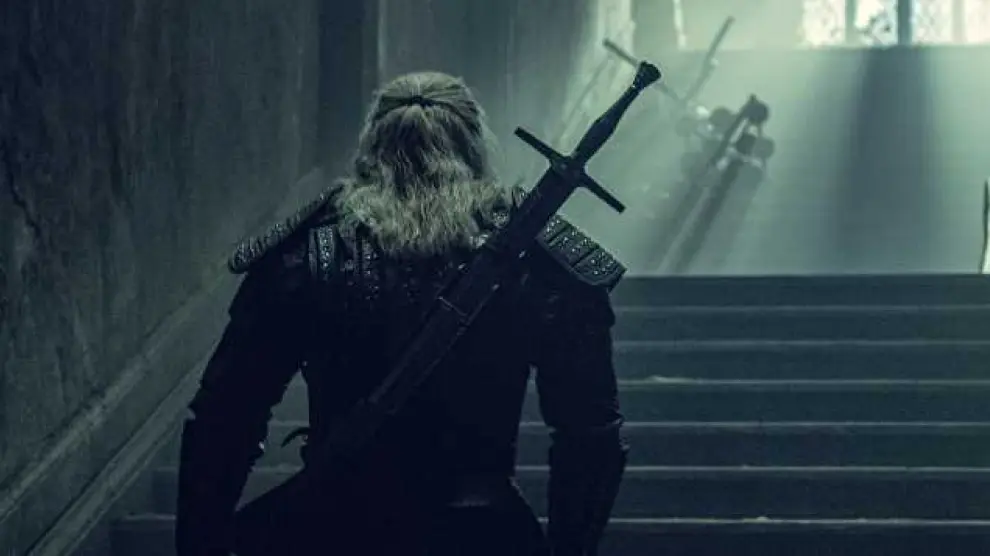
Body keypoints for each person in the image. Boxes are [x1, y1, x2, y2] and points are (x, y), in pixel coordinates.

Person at [175, 71, 628, 556]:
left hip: (332, 533)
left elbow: (225, 418)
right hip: (482, 538)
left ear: (372, 144)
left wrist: (200, 546)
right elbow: (590, 435)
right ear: (474, 144)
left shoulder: (309, 252)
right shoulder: (537, 263)